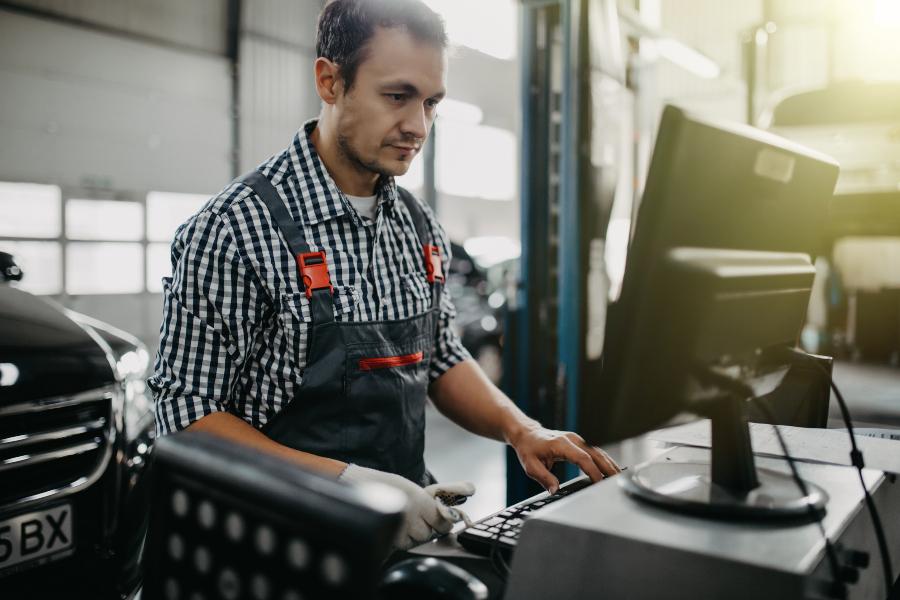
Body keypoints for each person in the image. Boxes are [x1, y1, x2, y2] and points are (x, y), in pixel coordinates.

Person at [148, 0, 619, 550]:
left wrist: (521, 429)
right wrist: (351, 486)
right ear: (330, 81)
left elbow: (441, 357)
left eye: (432, 102)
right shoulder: (233, 230)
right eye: (397, 96)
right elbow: (186, 417)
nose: (418, 126)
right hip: (270, 547)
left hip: (393, 537)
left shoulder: (418, 227)